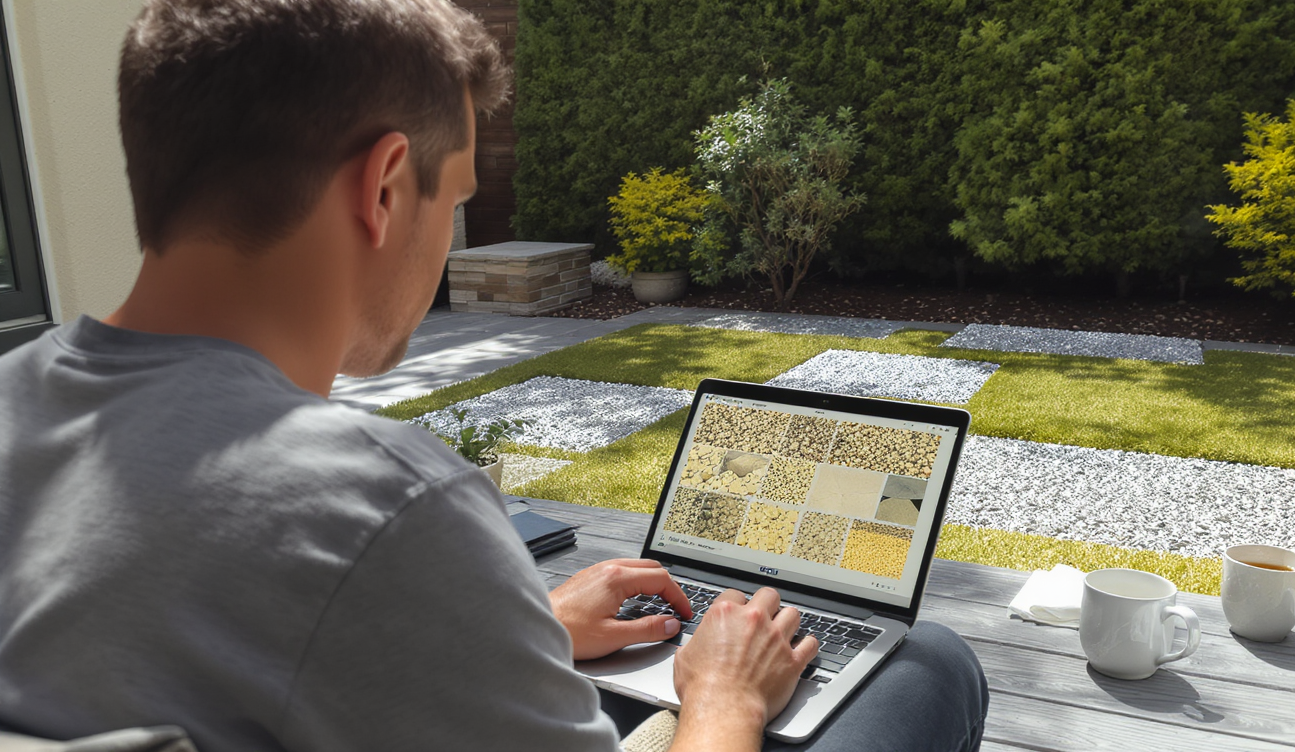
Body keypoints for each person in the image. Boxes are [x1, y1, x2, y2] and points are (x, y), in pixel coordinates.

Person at [0, 1, 988, 750]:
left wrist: (527, 630)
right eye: (460, 198)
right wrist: (723, 694)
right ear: (386, 188)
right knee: (931, 664)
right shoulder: (383, 506)